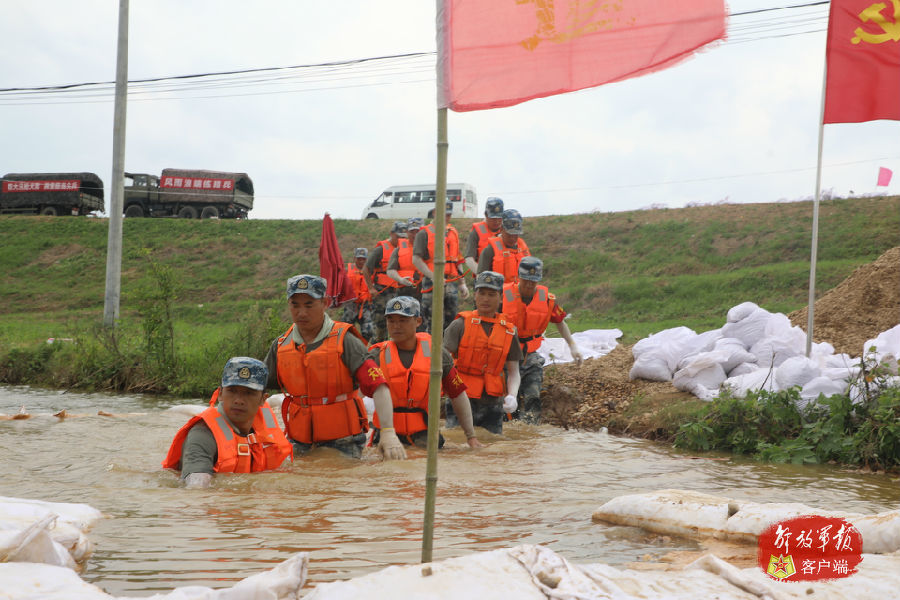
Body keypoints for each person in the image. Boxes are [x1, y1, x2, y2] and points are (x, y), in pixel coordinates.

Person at [263, 274, 407, 461]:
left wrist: (388, 433)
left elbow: (379, 386)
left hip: (343, 442)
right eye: (295, 305)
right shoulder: (281, 345)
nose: (301, 312)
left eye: (309, 305)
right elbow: (256, 390)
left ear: (325, 303)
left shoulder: (345, 340)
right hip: (298, 441)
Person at [369, 296, 483, 449]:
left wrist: (471, 437)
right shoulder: (377, 355)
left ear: (418, 321)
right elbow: (357, 393)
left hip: (425, 436)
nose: (396, 326)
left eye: (402, 320)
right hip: (387, 435)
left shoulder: (436, 354)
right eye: (391, 321)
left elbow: (457, 394)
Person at [162, 357, 293, 488]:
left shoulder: (267, 430)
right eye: (232, 391)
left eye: (249, 393)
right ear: (220, 394)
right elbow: (196, 489)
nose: (239, 400)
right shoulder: (202, 435)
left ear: (263, 399)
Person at [502, 257, 584, 423]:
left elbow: (560, 323)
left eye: (534, 282)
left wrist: (573, 346)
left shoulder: (547, 299)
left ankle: (531, 434)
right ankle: (507, 434)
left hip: (531, 355)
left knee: (533, 396)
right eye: (526, 281)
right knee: (508, 402)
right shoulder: (502, 295)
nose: (529, 286)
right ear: (519, 277)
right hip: (506, 355)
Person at [443, 271, 523, 435]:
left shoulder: (509, 331)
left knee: (492, 449)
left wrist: (513, 396)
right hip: (460, 397)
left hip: (492, 402)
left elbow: (514, 371)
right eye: (482, 293)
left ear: (500, 297)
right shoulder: (459, 324)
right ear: (475, 296)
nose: (486, 299)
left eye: (491, 294)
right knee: (457, 443)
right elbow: (440, 362)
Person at [412, 201, 469, 334]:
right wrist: (433, 276)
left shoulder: (452, 232)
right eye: (444, 214)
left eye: (449, 215)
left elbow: (457, 258)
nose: (447, 218)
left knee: (452, 321)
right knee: (432, 322)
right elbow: (416, 259)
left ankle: (447, 352)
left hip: (451, 283)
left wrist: (462, 283)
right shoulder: (424, 233)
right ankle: (430, 352)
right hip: (432, 284)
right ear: (434, 213)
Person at [364, 221, 408, 342]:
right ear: (391, 234)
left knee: (398, 325)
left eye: (403, 237)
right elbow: (366, 269)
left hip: (399, 292)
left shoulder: (405, 249)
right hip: (382, 293)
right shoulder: (381, 249)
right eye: (398, 236)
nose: (401, 239)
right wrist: (371, 288)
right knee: (380, 327)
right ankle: (374, 353)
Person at [477, 209, 531, 285]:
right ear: (501, 229)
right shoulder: (490, 250)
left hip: (520, 294)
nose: (512, 238)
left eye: (515, 234)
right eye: (509, 234)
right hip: (500, 294)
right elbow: (480, 278)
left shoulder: (523, 247)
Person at [342, 247, 376, 342]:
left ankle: (363, 349)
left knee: (368, 331)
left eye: (363, 259)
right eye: (359, 258)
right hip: (351, 304)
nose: (361, 261)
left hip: (366, 305)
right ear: (354, 258)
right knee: (344, 330)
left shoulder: (372, 271)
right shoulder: (346, 270)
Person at [385, 217, 423, 300]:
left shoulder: (431, 248)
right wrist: (400, 279)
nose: (414, 235)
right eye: (411, 232)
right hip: (405, 292)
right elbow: (390, 270)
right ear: (407, 232)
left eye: (417, 232)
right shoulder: (398, 249)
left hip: (426, 292)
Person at [464, 197, 504, 275]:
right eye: (493, 218)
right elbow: (469, 259)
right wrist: (481, 275)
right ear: (486, 214)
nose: (496, 221)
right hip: (484, 279)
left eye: (499, 217)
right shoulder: (476, 232)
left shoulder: (507, 231)